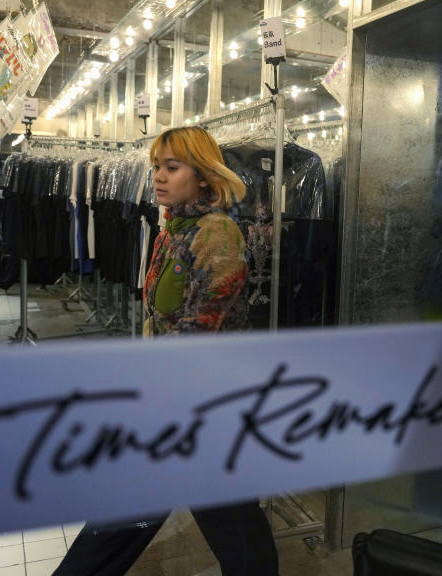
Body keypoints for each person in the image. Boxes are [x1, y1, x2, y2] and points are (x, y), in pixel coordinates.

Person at [52, 127, 279, 576]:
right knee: (229, 525)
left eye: (172, 167)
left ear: (204, 176)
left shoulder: (218, 235)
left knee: (218, 523)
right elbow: (161, 321)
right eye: (156, 166)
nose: (158, 176)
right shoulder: (174, 230)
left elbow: (198, 331)